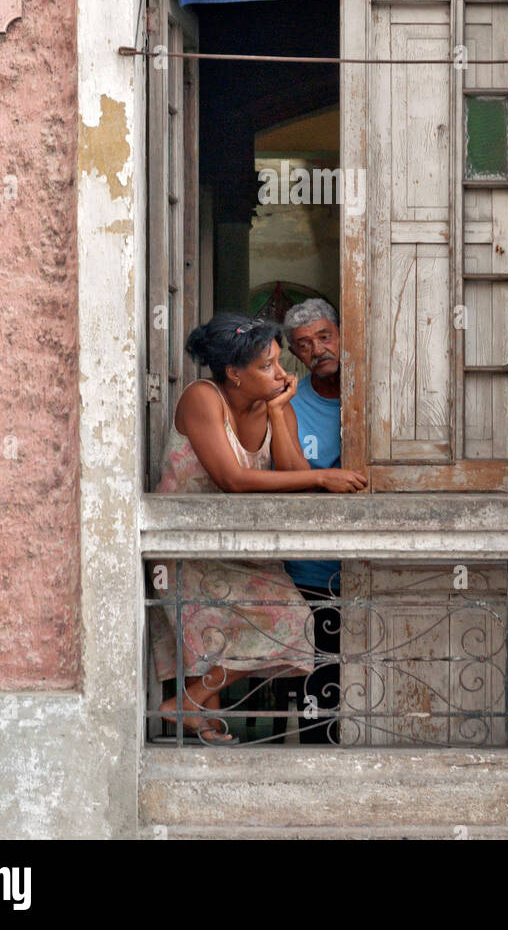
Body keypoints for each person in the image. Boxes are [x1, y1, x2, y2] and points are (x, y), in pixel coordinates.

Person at [149, 313, 365, 743]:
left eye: (279, 362)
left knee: (291, 627)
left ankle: (192, 708)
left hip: (242, 549)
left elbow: (290, 473)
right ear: (234, 373)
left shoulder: (271, 404)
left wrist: (281, 411)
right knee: (248, 632)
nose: (283, 374)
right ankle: (191, 709)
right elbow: (234, 480)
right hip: (188, 548)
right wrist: (322, 478)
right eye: (267, 366)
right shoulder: (201, 397)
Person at [272, 298, 344, 744]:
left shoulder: (377, 397)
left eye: (324, 337)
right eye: (304, 344)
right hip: (311, 571)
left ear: (341, 334)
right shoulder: (293, 404)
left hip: (374, 564)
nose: (317, 349)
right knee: (319, 687)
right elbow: (289, 477)